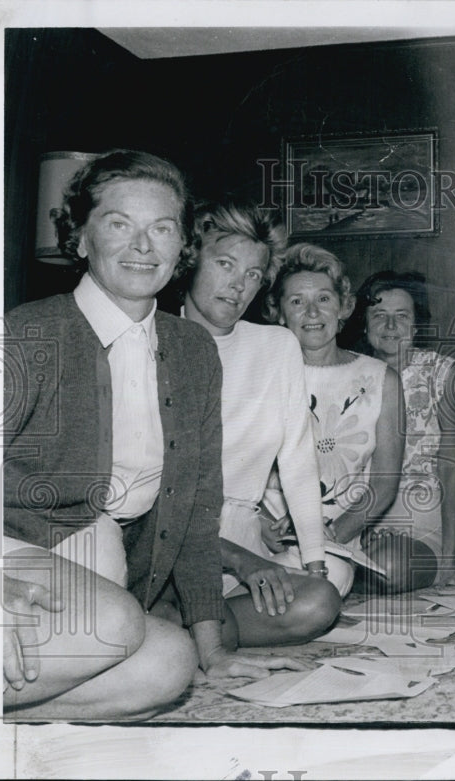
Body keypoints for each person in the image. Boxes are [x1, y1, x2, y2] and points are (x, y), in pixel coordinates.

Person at [2, 150, 298, 721]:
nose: (143, 246)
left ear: (182, 246)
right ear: (82, 238)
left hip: (101, 574)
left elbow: (192, 507)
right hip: (8, 553)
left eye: (162, 228)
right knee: (117, 623)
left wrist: (214, 648)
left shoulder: (191, 351)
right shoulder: (29, 331)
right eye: (119, 224)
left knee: (170, 661)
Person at [181, 201, 341, 644]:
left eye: (253, 274)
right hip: (174, 545)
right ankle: (190, 633)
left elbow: (297, 460)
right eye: (225, 264)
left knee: (322, 601)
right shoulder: (155, 338)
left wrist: (314, 564)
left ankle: (195, 634)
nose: (238, 286)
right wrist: (239, 561)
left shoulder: (276, 345)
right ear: (191, 260)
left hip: (243, 533)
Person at [264, 245, 404, 588]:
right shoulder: (262, 373)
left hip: (335, 534)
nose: (312, 311)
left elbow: (384, 484)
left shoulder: (382, 379)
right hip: (263, 530)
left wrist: (329, 533)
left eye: (324, 299)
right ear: (279, 313)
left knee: (321, 587)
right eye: (296, 301)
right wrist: (261, 525)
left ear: (344, 307)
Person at [341, 270, 455, 591]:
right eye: (379, 315)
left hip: (421, 514)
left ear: (417, 323)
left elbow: (451, 470)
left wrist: (450, 558)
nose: (390, 326)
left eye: (402, 316)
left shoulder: (445, 374)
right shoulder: (347, 373)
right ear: (364, 322)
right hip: (357, 512)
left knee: (386, 569)